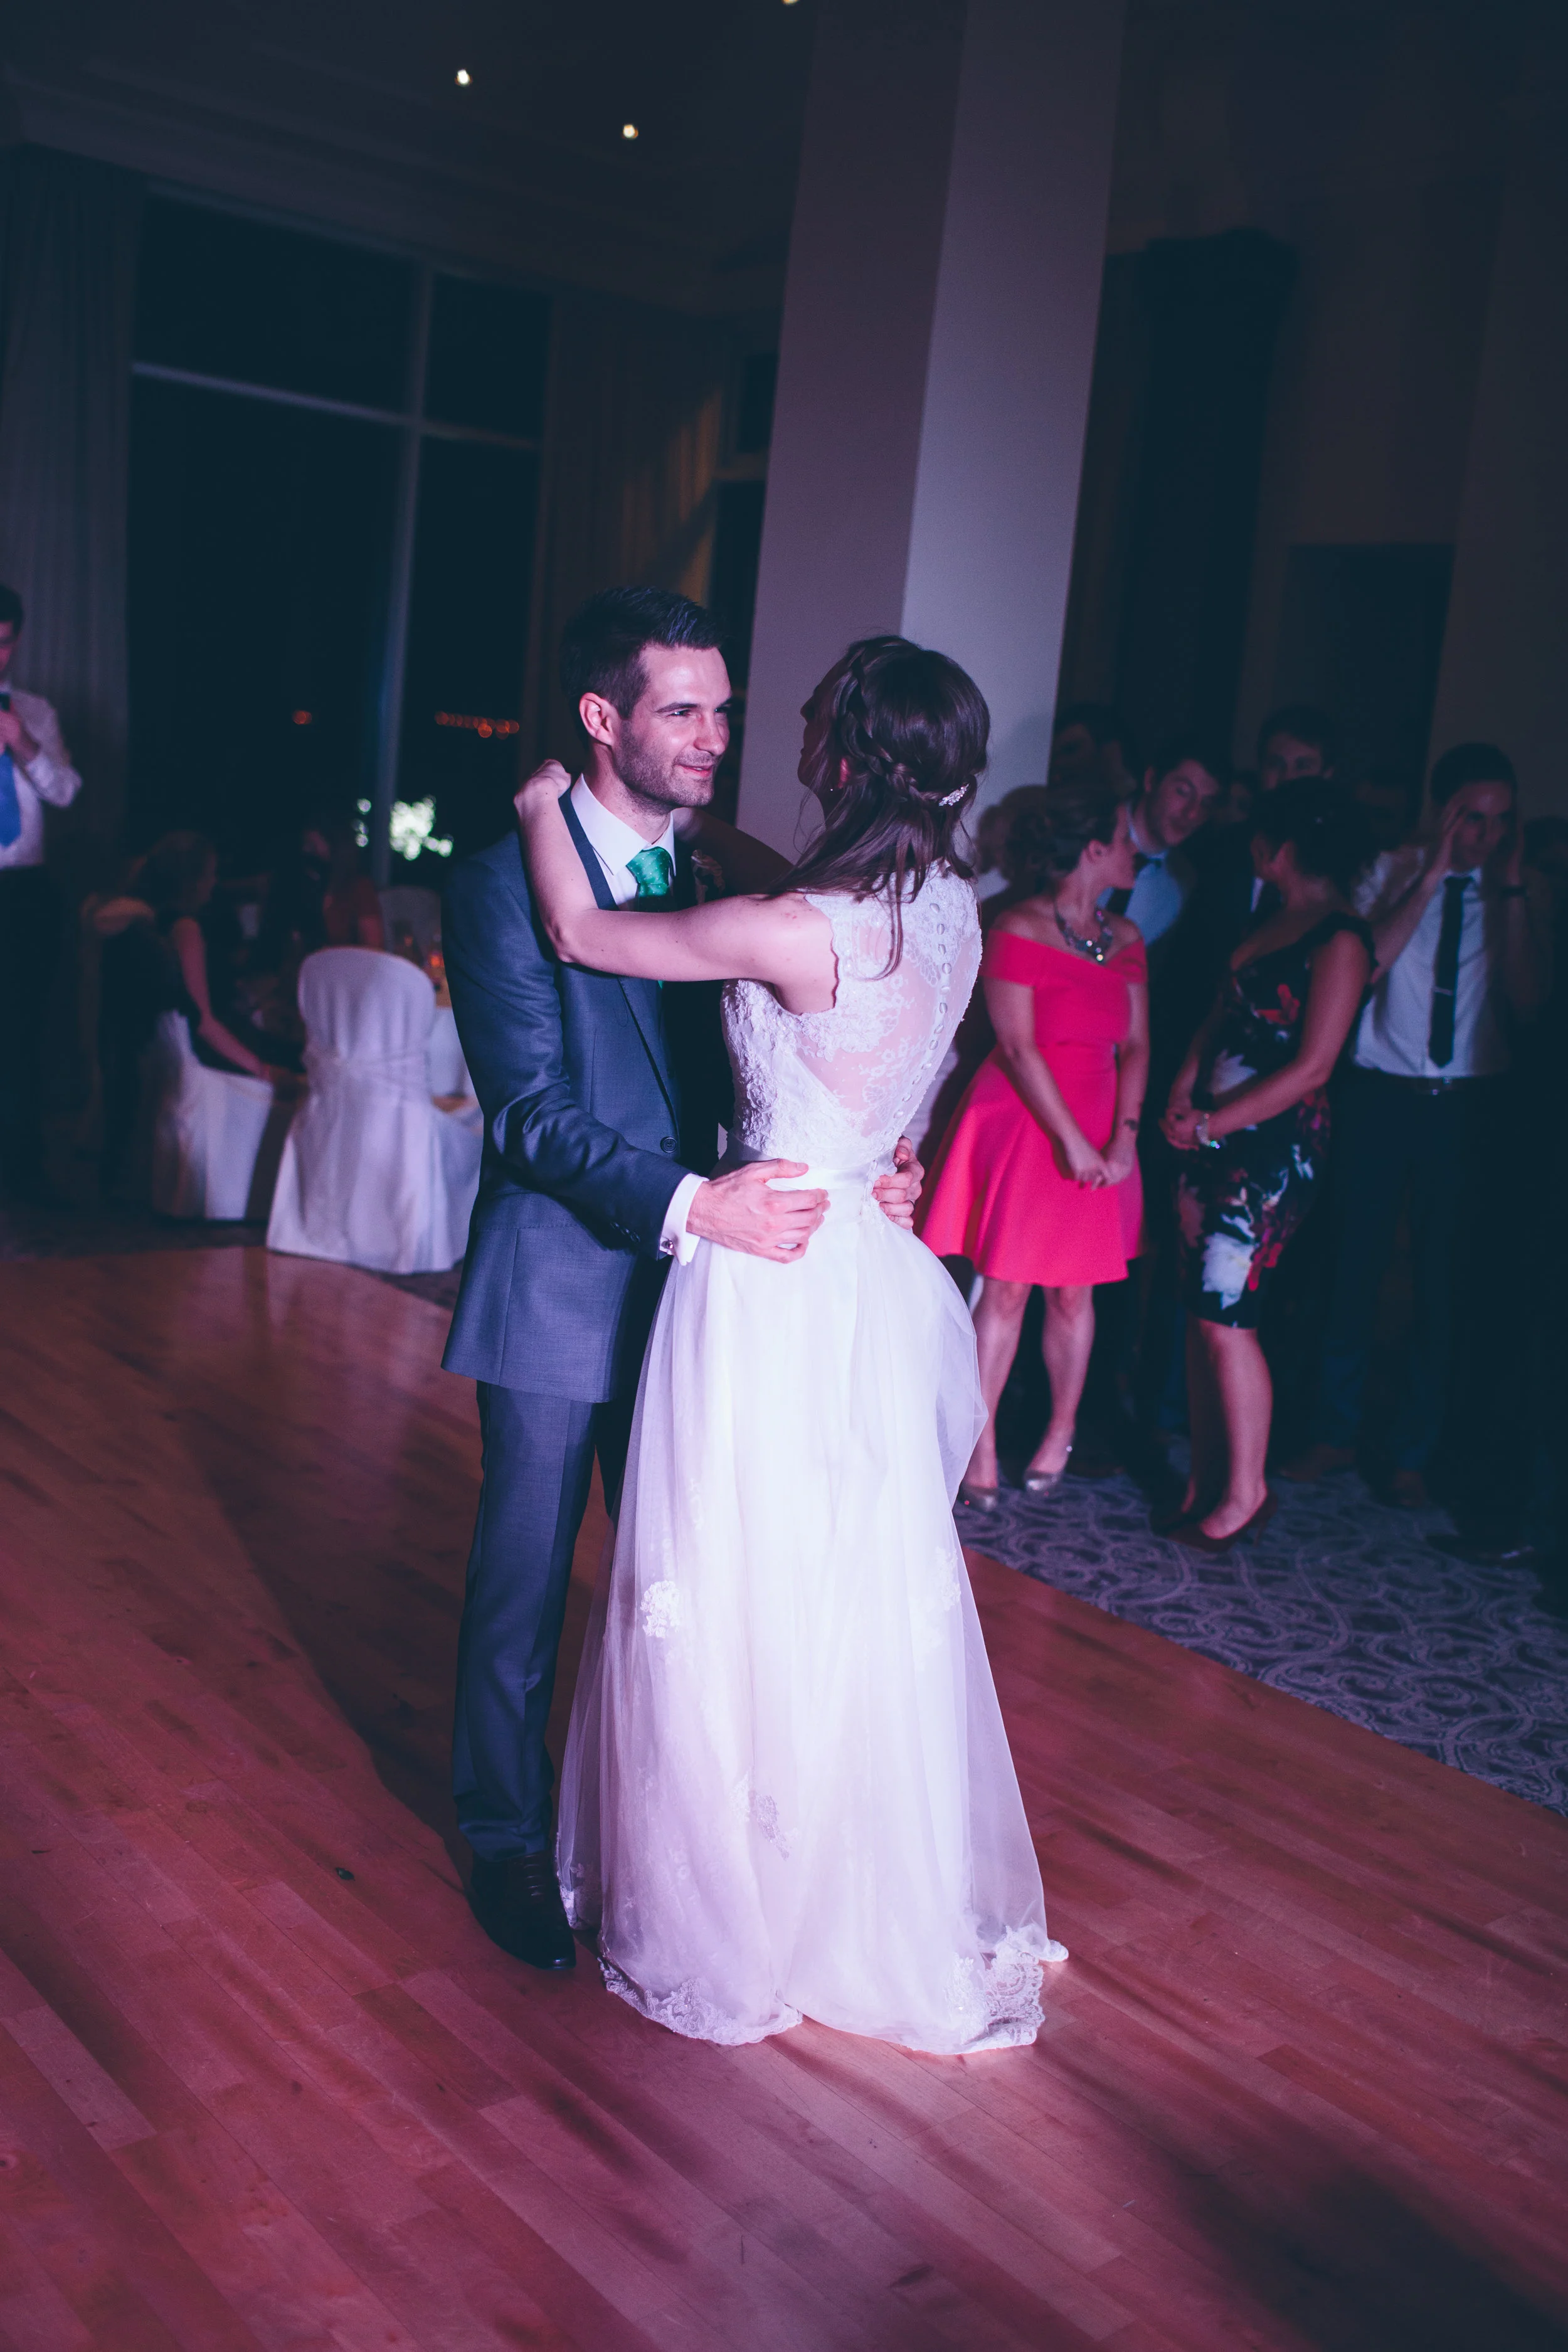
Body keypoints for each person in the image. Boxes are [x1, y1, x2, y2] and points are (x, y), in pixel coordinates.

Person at [514, 630, 1064, 2053]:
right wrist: (884, 1158)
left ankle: (732, 1903)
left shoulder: (798, 925)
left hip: (763, 1270)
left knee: (733, 1573)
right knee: (840, 1582)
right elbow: (898, 1072)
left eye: (815, 722)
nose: (791, 737)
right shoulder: (948, 905)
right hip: (868, 1265)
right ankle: (838, 1883)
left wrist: (534, 811)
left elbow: (583, 934)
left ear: (855, 753)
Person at [440, 591, 925, 1985]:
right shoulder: (495, 886)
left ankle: (678, 1846)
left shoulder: (739, 869)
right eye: (682, 711)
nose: (715, 736)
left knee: (689, 1582)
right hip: (560, 1278)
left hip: (720, 1300)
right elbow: (528, 1115)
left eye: (722, 708)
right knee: (523, 1584)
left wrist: (876, 1160)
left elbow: (820, 1043)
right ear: (603, 720)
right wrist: (687, 1204)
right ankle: (504, 1837)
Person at [1284, 744, 1551, 1509]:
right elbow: (1363, 968)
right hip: (1380, 1095)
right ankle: (1331, 1431)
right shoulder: (1385, 872)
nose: (1486, 835)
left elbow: (1529, 999)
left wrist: (1505, 894)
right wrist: (1431, 875)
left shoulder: (1521, 888)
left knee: (1441, 1278)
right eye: (1473, 817)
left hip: (1466, 1101)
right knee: (1354, 1265)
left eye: (1501, 820)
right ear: (1444, 812)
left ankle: (1410, 1452)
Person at [918, 780, 1148, 1505]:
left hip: (1104, 1120)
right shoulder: (1015, 926)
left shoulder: (1129, 938)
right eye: (1125, 836)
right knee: (1009, 1287)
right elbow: (1017, 1050)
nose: (1136, 850)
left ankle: (1059, 1432)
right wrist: (1073, 1143)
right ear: (1093, 849)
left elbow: (1138, 1045)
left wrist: (1124, 1139)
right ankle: (978, 1444)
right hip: (1026, 1119)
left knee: (1077, 1296)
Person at [1160, 784, 1375, 1551]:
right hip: (1211, 1134)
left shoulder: (1340, 938)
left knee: (1229, 1314)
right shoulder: (1269, 918)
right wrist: (1186, 1091)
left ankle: (1247, 1492)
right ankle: (1206, 1477)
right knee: (1201, 1313)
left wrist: (1213, 1119)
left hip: (1271, 1152)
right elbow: (1220, 1017)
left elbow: (1314, 1064)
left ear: (1280, 849)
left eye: (1260, 837)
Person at [97, 832, 296, 1190]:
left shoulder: (144, 923)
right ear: (192, 880)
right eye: (211, 874)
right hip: (203, 1052)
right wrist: (262, 1069)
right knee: (296, 1064)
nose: (215, 883)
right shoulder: (184, 929)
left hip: (160, 1049)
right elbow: (202, 1020)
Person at [0, 583, 84, 1203]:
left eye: (3, 645)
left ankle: (21, 1170)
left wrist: (23, 743)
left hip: (25, 894)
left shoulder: (36, 710)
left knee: (22, 1031)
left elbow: (66, 792)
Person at [1099, 736, 1224, 953]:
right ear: (1151, 780)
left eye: (1205, 805)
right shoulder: (1093, 825)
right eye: (1183, 792)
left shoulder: (1181, 884)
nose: (1192, 814)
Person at [1049, 700, 1136, 793]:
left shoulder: (1145, 801)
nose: (1059, 763)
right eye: (1055, 757)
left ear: (1111, 751)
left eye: (1071, 750)